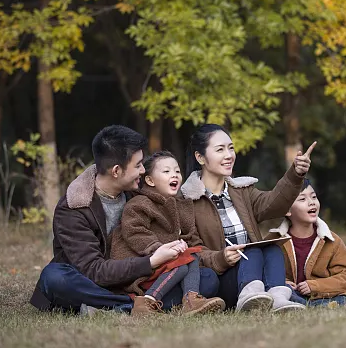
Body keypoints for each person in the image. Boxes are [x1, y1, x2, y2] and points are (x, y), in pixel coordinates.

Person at [29, 125, 216, 315]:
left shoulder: (137, 193)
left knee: (207, 278)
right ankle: (129, 305)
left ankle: (117, 306)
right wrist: (150, 261)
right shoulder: (73, 209)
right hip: (94, 282)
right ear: (116, 171)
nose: (143, 170)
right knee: (54, 277)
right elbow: (94, 271)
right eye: (138, 165)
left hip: (137, 280)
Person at [180, 123, 315, 312]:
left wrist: (295, 174)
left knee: (271, 249)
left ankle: (277, 298)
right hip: (222, 278)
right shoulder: (187, 200)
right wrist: (221, 258)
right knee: (252, 250)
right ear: (200, 157)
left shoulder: (242, 191)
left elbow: (274, 204)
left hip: (255, 271)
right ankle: (248, 298)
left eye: (231, 148)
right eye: (220, 150)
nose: (229, 155)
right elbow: (191, 251)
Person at [110, 151, 225, 316]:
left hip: (171, 268)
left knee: (206, 274)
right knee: (184, 257)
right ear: (149, 180)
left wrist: (216, 257)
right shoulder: (139, 204)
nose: (175, 175)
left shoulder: (181, 207)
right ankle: (148, 301)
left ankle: (190, 299)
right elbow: (135, 231)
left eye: (177, 171)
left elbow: (192, 241)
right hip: (144, 266)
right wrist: (158, 249)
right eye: (167, 172)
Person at [266, 179, 346, 307]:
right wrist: (284, 283)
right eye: (302, 199)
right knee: (281, 294)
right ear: (287, 210)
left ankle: (308, 305)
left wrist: (315, 286)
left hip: (323, 295)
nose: (312, 203)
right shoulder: (274, 240)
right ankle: (301, 303)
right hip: (290, 294)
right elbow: (264, 272)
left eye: (314, 197)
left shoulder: (332, 240)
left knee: (343, 300)